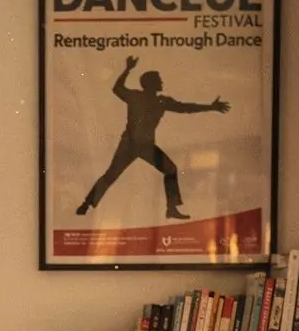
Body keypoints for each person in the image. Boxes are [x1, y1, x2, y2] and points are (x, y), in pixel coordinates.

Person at [76, 56, 230, 221]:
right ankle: (87, 204)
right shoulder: (144, 98)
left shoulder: (156, 100)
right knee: (112, 175)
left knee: (168, 169)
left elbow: (185, 107)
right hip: (131, 144)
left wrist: (211, 107)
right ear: (151, 84)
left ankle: (171, 208)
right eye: (158, 80)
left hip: (144, 146)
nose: (162, 82)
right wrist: (127, 69)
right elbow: (117, 88)